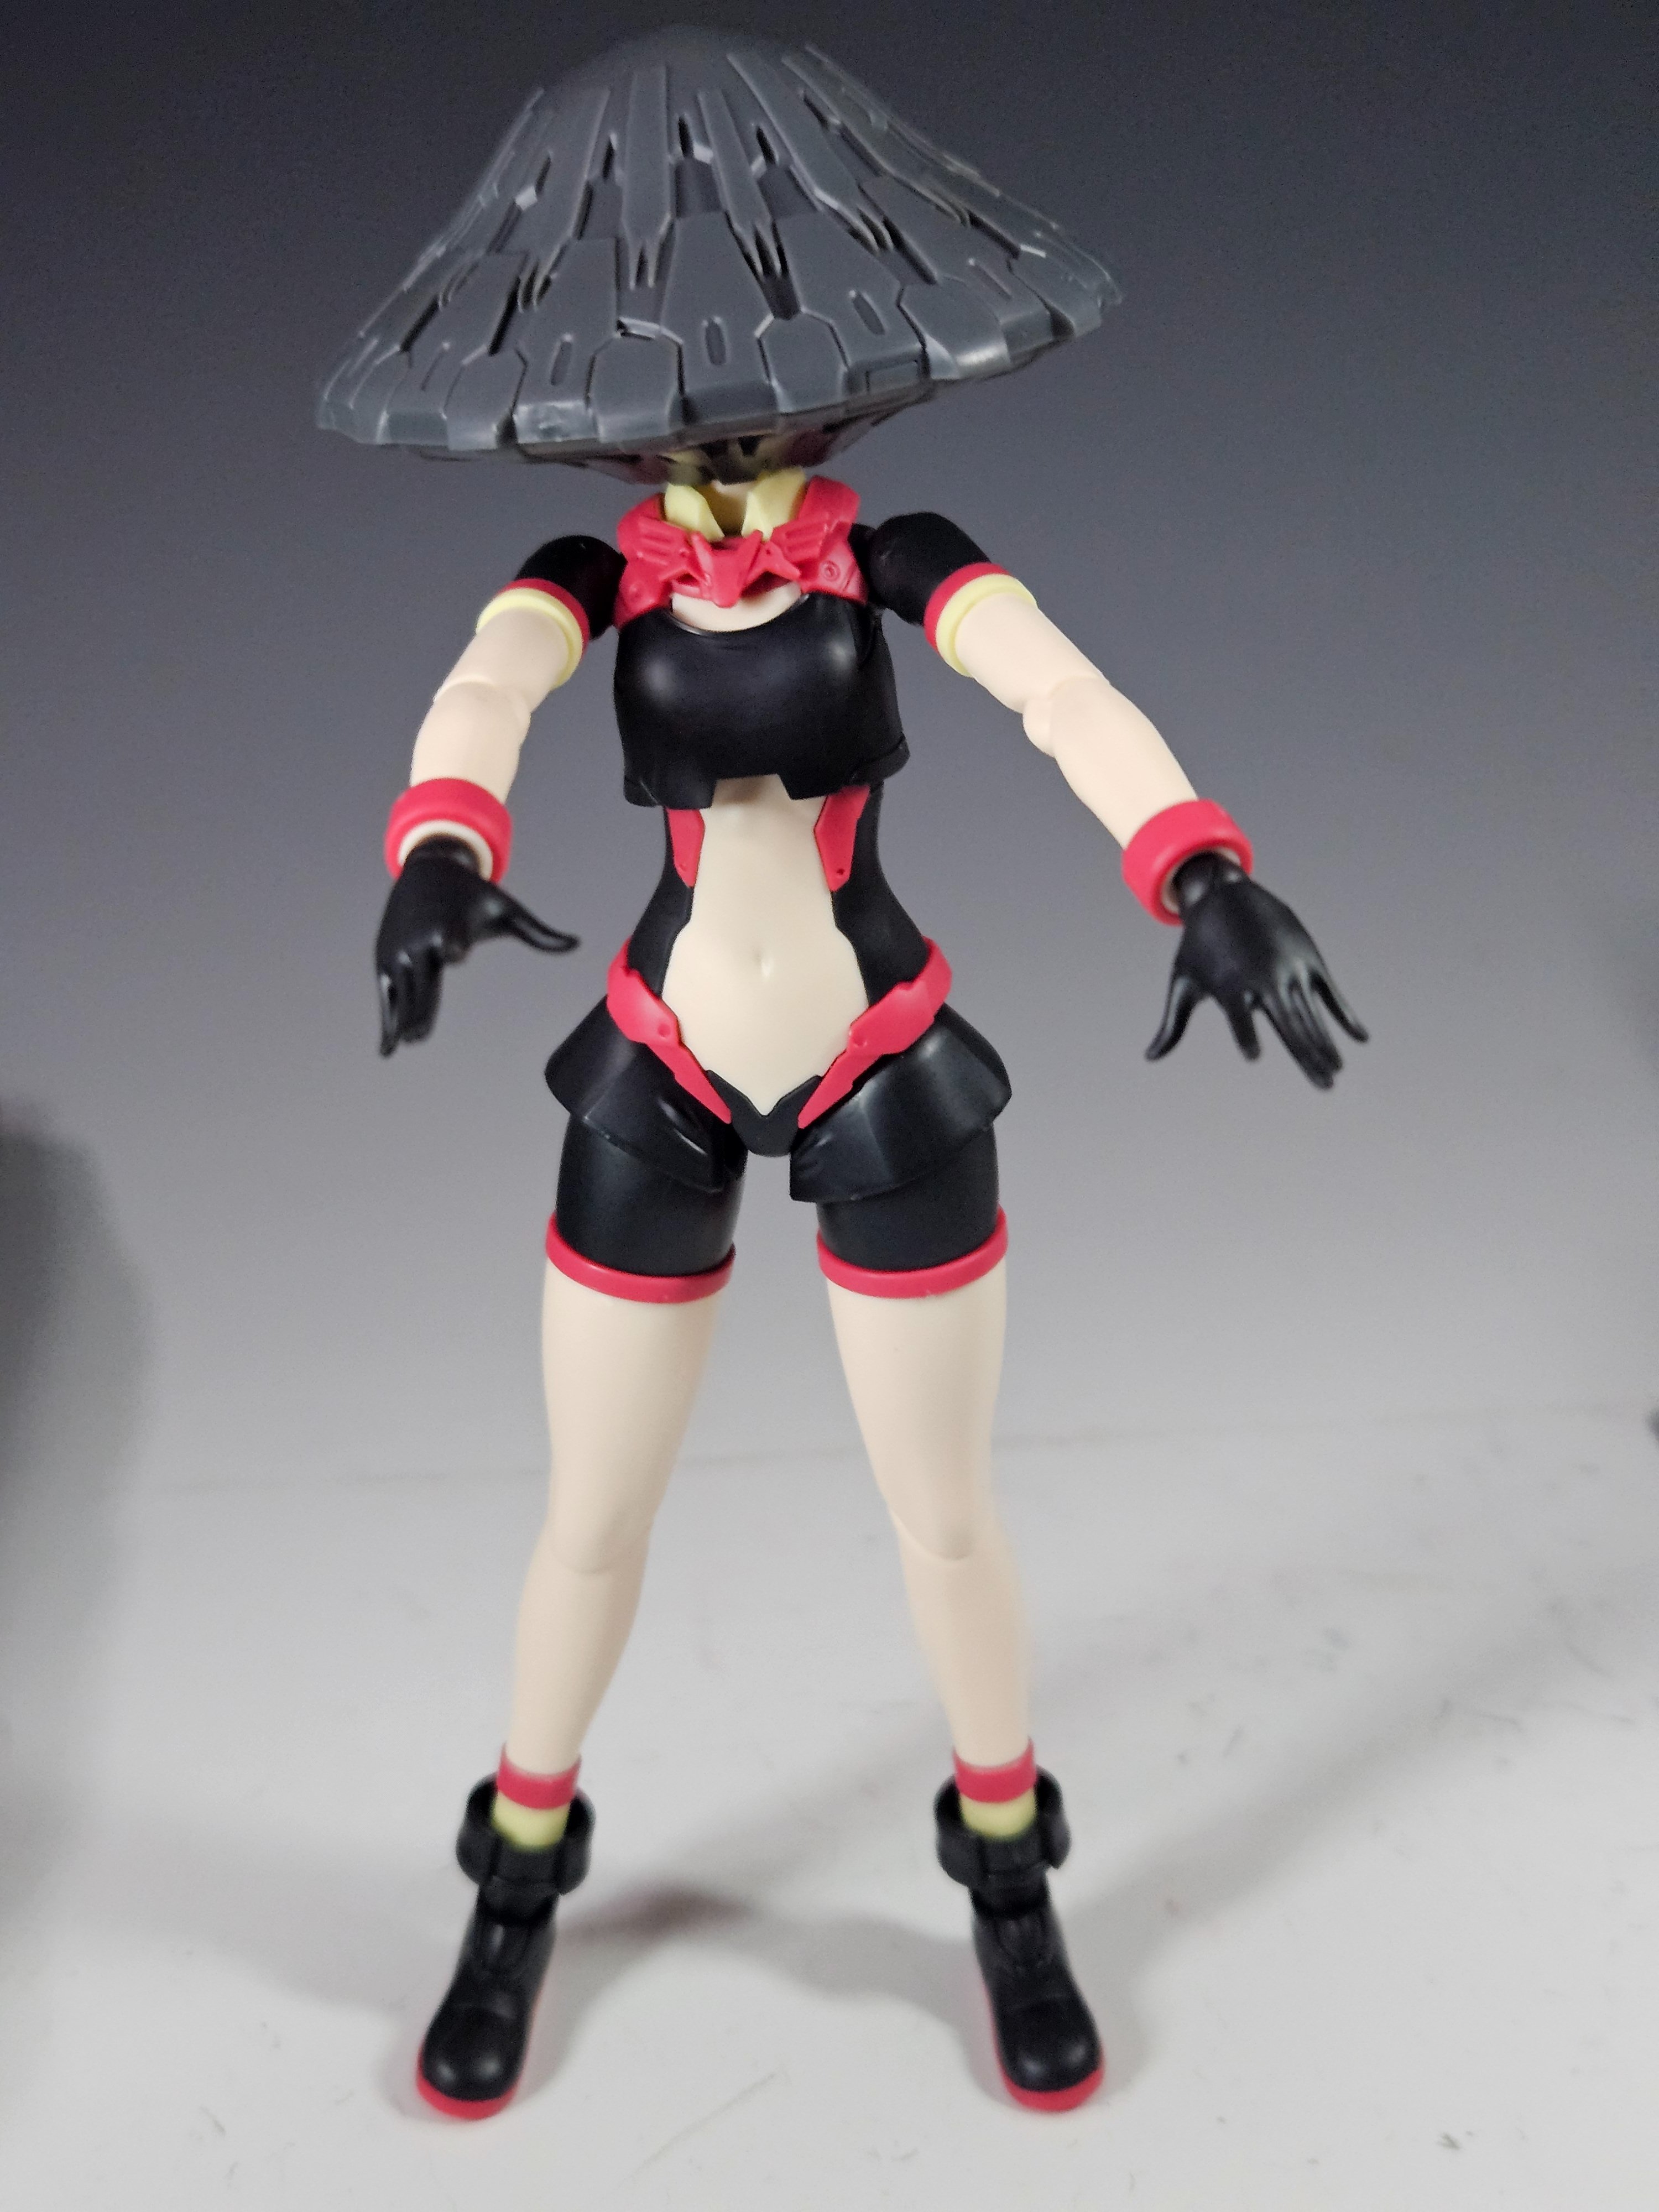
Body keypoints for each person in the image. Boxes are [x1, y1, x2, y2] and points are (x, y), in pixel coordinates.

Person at [324, 29, 1365, 2120]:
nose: (723, 422)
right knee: (590, 1525)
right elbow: (483, 692)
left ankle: (1009, 1877)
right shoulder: (591, 573)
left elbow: (1063, 692)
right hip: (660, 1061)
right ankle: (517, 1874)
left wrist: (1203, 871)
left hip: (884, 1060)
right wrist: (439, 847)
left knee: (947, 1521)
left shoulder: (900, 553)